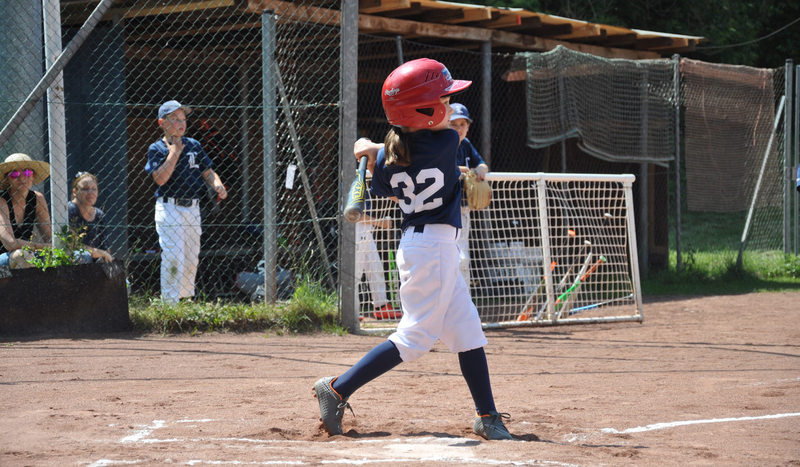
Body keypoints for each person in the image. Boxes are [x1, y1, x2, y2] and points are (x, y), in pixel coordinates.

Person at [313, 58, 512, 440]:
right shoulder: (446, 141)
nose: (451, 109)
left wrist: (371, 154)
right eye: (444, 100)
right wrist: (376, 149)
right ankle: (337, 388)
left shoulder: (392, 157)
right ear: (423, 111)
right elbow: (422, 141)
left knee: (468, 331)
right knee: (416, 337)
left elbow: (384, 182)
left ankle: (487, 415)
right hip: (432, 249)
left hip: (425, 246)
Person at [144, 100, 228, 303]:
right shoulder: (157, 149)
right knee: (174, 256)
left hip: (192, 208)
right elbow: (160, 179)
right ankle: (169, 303)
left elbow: (207, 172)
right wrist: (174, 152)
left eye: (183, 119)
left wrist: (217, 184)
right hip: (169, 206)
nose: (182, 123)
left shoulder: (194, 145)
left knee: (191, 258)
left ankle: (184, 299)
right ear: (162, 123)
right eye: (175, 119)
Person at [449, 103, 489, 287]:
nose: (458, 128)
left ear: (468, 126)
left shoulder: (465, 144)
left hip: (463, 209)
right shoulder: (440, 144)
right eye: (453, 124)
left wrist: (480, 169)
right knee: (453, 256)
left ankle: (462, 295)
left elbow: (480, 163)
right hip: (445, 208)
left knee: (462, 256)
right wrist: (465, 170)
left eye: (462, 124)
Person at [0, 153, 52, 269]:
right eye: (15, 174)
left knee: (72, 255)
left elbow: (49, 236)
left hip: (28, 255)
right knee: (22, 255)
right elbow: (10, 243)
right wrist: (46, 247)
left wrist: (55, 248)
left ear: (33, 176)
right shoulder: (1, 201)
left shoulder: (37, 199)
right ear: (7, 179)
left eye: (27, 172)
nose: (22, 178)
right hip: (5, 261)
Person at [356, 199, 399, 320]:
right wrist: (380, 223)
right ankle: (349, 310)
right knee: (356, 273)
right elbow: (354, 214)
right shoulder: (354, 184)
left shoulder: (365, 186)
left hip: (366, 232)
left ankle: (381, 306)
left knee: (376, 269)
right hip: (356, 231)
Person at [68, 171, 114, 263]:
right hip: (76, 259)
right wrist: (97, 253)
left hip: (97, 261)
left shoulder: (99, 214)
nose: (90, 192)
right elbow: (72, 244)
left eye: (94, 189)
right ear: (75, 192)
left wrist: (104, 255)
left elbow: (106, 249)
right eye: (85, 189)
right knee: (84, 256)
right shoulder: (69, 209)